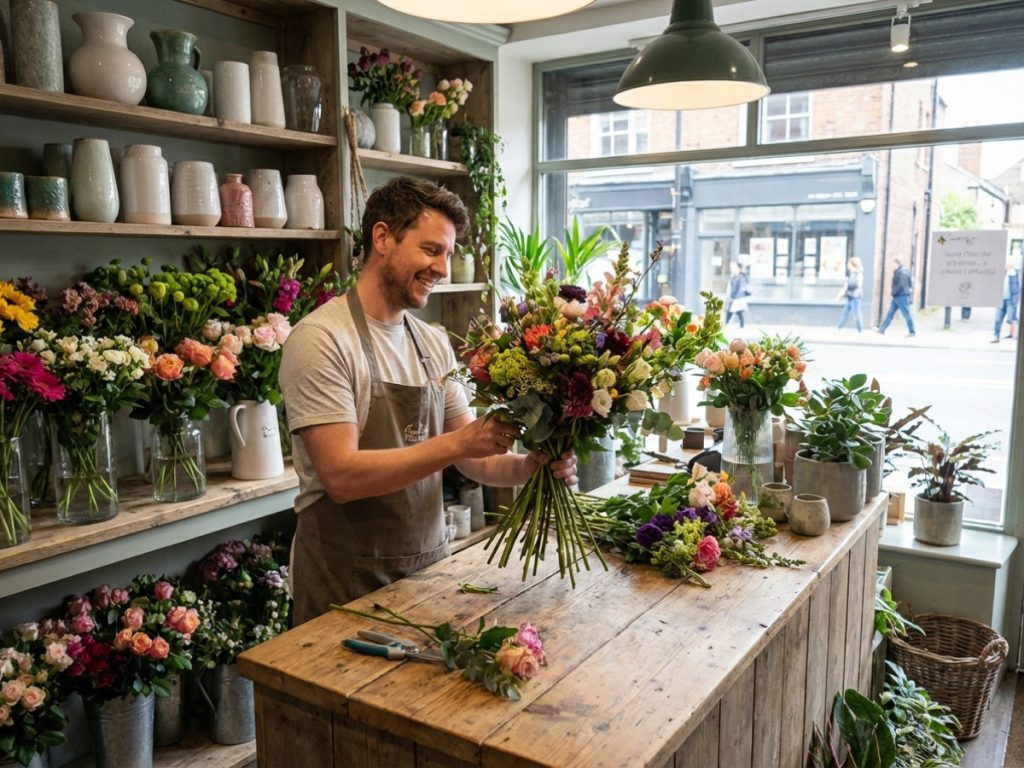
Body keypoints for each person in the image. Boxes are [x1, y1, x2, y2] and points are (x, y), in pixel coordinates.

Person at [279, 176, 578, 625]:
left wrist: (530, 467)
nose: (442, 267)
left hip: (426, 573)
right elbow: (341, 475)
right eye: (431, 250)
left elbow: (473, 459)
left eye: (448, 254)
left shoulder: (431, 342)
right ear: (382, 238)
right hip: (345, 586)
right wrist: (458, 444)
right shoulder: (321, 340)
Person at [876, 257, 916, 337]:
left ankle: (912, 331)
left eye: (892, 264)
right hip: (898, 296)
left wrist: (894, 292)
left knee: (906, 314)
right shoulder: (901, 271)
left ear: (897, 263)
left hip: (901, 296)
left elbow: (901, 285)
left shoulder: (902, 272)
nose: (891, 266)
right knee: (890, 313)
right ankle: (882, 329)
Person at [991, 258, 1020, 343]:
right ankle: (996, 336)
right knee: (997, 319)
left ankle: (1015, 335)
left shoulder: (1015, 274)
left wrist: (1015, 301)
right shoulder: (1003, 273)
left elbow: (1017, 289)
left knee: (1011, 318)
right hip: (1001, 299)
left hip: (1010, 300)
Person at [835, 257, 864, 332]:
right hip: (850, 296)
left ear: (852, 264)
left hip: (855, 296)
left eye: (849, 263)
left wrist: (844, 290)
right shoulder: (852, 274)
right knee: (845, 312)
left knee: (857, 314)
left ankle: (860, 330)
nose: (847, 265)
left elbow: (855, 285)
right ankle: (839, 327)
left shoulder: (857, 274)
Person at [725, 262, 750, 327]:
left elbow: (740, 288)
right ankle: (728, 323)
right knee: (735, 311)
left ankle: (726, 323)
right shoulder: (734, 276)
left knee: (733, 310)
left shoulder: (740, 277)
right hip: (735, 297)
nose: (731, 269)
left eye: (732, 268)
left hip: (737, 297)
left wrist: (733, 297)